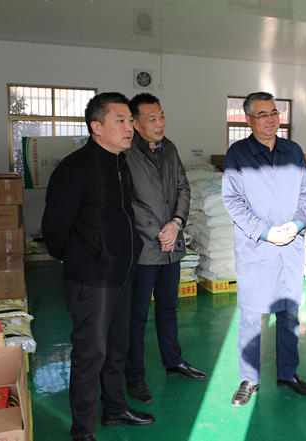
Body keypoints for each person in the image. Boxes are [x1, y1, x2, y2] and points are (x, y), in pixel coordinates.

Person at [42, 92, 154, 441]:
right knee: (90, 355)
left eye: (130, 120)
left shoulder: (120, 163)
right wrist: (75, 257)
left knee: (116, 350)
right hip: (91, 280)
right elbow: (54, 229)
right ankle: (82, 431)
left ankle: (115, 409)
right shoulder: (75, 168)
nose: (129, 127)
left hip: (122, 276)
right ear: (96, 127)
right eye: (120, 120)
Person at [222, 91, 306, 407]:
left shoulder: (293, 151)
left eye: (274, 112)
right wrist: (265, 232)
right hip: (257, 248)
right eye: (262, 114)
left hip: (290, 246)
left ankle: (287, 374)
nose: (270, 119)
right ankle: (249, 379)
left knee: (289, 315)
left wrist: (297, 224)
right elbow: (232, 200)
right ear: (249, 120)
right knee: (252, 316)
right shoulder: (238, 154)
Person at [124, 93, 207, 405]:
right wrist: (160, 232)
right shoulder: (125, 152)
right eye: (152, 118)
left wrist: (176, 222)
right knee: (136, 317)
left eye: (162, 116)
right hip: (144, 249)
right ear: (135, 123)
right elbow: (128, 201)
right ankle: (134, 376)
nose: (160, 123)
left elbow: (183, 187)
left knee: (168, 309)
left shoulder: (169, 147)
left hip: (171, 246)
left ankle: (173, 362)